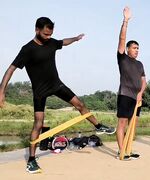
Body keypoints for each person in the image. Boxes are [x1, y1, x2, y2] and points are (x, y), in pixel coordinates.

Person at [0, 17, 116, 173]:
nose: (48, 37)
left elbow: (63, 42)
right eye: (46, 34)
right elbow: (10, 70)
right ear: (37, 30)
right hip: (40, 91)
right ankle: (31, 160)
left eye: (50, 34)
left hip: (56, 85)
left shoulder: (51, 42)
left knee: (80, 104)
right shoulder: (27, 49)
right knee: (38, 124)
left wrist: (75, 38)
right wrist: (1, 91)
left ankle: (99, 126)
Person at [116, 7, 147, 160]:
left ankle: (129, 149)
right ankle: (121, 151)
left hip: (136, 98)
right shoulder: (123, 58)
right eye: (134, 48)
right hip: (125, 95)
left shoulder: (140, 64)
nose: (136, 50)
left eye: (138, 48)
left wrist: (141, 93)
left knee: (132, 124)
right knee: (122, 123)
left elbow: (144, 81)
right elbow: (122, 39)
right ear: (127, 49)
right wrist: (126, 21)